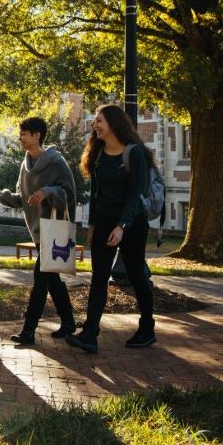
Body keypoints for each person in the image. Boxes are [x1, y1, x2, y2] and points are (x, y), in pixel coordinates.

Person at [0, 116, 77, 346]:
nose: (20, 138)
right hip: (37, 232)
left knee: (40, 281)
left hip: (53, 230)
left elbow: (70, 194)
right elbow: (20, 200)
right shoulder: (25, 166)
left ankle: (28, 330)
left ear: (37, 135)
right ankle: (69, 322)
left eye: (24, 134)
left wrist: (48, 191)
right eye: (20, 134)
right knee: (52, 279)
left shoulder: (56, 162)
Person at [67, 104, 156, 354]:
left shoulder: (135, 153)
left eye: (99, 121)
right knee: (98, 277)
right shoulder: (97, 153)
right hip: (105, 221)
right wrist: (93, 224)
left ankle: (147, 328)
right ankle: (90, 333)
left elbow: (135, 194)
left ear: (114, 123)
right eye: (94, 121)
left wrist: (122, 226)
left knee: (137, 276)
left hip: (132, 222)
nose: (95, 125)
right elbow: (97, 194)